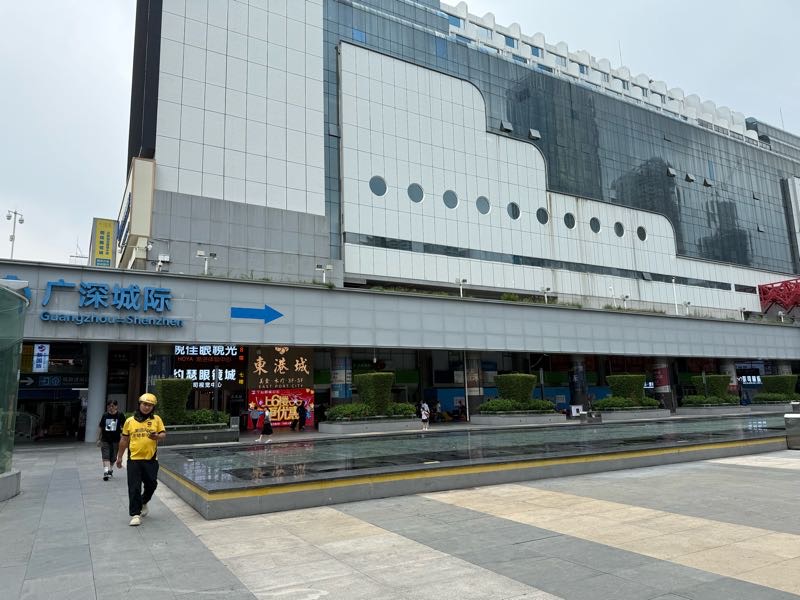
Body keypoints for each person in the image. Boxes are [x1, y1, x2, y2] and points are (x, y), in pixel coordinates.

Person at [115, 392, 166, 526]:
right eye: (144, 404)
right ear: (139, 404)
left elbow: (163, 434)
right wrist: (119, 457)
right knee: (134, 487)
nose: (147, 407)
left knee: (152, 484)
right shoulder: (130, 421)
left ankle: (143, 501)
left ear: (153, 407)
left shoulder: (157, 420)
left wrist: (157, 436)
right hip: (134, 460)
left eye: (150, 405)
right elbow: (124, 440)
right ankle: (135, 514)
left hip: (151, 459)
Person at [96, 400, 125, 481]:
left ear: (116, 406)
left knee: (113, 457)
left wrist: (123, 435)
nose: (111, 408)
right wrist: (98, 439)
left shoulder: (120, 415)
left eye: (112, 406)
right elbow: (101, 427)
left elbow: (125, 426)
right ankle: (106, 472)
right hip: (105, 440)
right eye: (109, 406)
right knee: (106, 457)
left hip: (116, 440)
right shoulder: (105, 415)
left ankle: (110, 470)